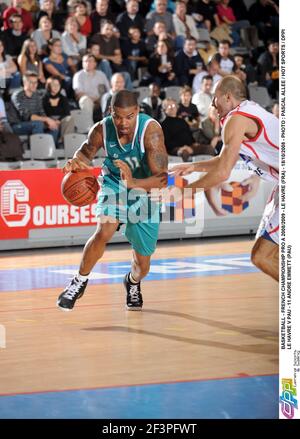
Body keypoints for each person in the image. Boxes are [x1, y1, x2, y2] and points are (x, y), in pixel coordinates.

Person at [57, 89, 168, 311]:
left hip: (144, 189)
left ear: (137, 111)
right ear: (111, 112)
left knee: (143, 264)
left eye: (129, 117)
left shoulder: (151, 131)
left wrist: (134, 183)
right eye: (118, 116)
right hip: (114, 184)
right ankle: (79, 281)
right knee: (103, 231)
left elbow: (163, 178)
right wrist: (76, 162)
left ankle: (132, 282)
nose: (123, 122)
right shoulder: (102, 129)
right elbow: (85, 152)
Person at [171, 76, 279, 281]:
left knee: (262, 257)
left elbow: (222, 173)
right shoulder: (246, 112)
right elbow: (222, 160)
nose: (212, 103)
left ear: (228, 97)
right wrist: (192, 166)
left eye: (215, 97)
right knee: (267, 254)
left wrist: (184, 192)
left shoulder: (236, 119)